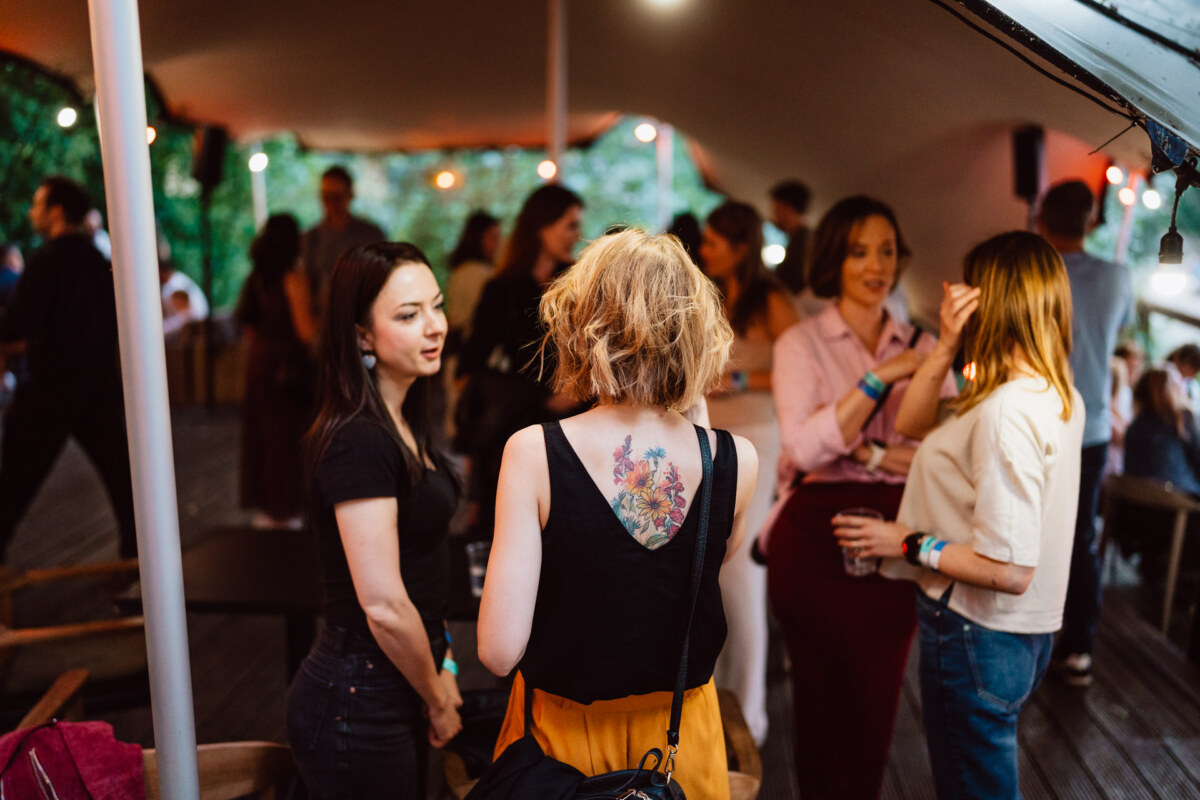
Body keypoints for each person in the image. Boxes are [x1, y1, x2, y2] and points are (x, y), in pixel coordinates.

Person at [477, 229, 758, 800]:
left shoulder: (534, 452)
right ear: (695, 332)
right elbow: (700, 565)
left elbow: (498, 651)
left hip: (562, 747)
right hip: (683, 742)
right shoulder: (736, 459)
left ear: (584, 327)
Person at [835, 230, 1083, 800]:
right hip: (1022, 636)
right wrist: (946, 343)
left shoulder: (1006, 412)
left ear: (989, 302)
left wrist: (904, 541)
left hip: (977, 626)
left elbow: (1009, 569)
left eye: (969, 287)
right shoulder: (1052, 390)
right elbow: (913, 423)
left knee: (973, 788)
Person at [767, 195, 956, 800]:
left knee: (877, 701)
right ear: (834, 261)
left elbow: (942, 453)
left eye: (887, 250)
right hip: (814, 534)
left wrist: (864, 448)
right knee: (820, 707)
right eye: (858, 252)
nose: (876, 265)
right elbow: (804, 448)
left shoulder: (928, 345)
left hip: (898, 532)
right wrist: (881, 378)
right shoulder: (800, 343)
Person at [286, 241, 462, 798]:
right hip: (358, 695)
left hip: (401, 678)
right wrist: (436, 694)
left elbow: (422, 566)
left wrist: (445, 666)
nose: (434, 327)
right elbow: (383, 605)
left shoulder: (403, 417)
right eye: (409, 316)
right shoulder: (358, 439)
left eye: (436, 306)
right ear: (363, 336)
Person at [698, 200, 797, 744]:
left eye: (713, 241)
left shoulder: (772, 299)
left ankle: (751, 715)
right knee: (712, 570)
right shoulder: (713, 295)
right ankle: (714, 700)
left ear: (740, 247)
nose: (705, 249)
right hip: (712, 439)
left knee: (742, 573)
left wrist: (737, 383)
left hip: (757, 437)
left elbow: (797, 366)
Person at [0, 176, 137, 561]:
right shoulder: (98, 261)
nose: (31, 212)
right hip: (98, 387)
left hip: (51, 389)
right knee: (126, 484)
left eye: (37, 204)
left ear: (56, 212)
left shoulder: (46, 262)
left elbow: (19, 322)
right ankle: (138, 564)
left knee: (13, 484)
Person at [1038, 180, 1133, 687]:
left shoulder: (1034, 270)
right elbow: (1116, 334)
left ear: (1041, 220)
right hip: (1091, 424)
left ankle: (1028, 636)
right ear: (1093, 218)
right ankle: (1078, 648)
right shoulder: (1118, 276)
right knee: (1080, 538)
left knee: (1023, 526)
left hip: (1033, 418)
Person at [455, 184, 584, 538]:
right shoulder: (503, 288)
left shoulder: (579, 284)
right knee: (515, 527)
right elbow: (471, 365)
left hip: (574, 422)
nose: (578, 235)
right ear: (543, 225)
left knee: (565, 528)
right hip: (517, 422)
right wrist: (540, 396)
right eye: (570, 225)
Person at [235, 214, 317, 529]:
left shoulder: (257, 277)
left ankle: (268, 508)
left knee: (263, 435)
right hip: (287, 368)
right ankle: (286, 509)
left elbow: (249, 325)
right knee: (287, 438)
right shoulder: (293, 276)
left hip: (260, 362)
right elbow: (305, 331)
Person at [300, 165, 386, 318]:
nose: (332, 204)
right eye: (326, 197)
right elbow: (304, 284)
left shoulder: (370, 235)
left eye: (337, 197)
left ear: (350, 195)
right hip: (324, 322)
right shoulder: (310, 239)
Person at [1124, 367, 1200, 497]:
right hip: (1182, 498)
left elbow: (1130, 470)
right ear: (1174, 390)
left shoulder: (1135, 426)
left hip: (1141, 500)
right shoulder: (1183, 418)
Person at [446, 210, 501, 351]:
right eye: (493, 238)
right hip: (470, 347)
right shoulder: (477, 272)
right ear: (478, 238)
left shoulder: (462, 269)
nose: (497, 244)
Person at [769, 180, 811, 296]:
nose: (773, 215)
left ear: (787, 208)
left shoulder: (803, 243)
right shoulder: (800, 239)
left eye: (776, 209)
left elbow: (791, 286)